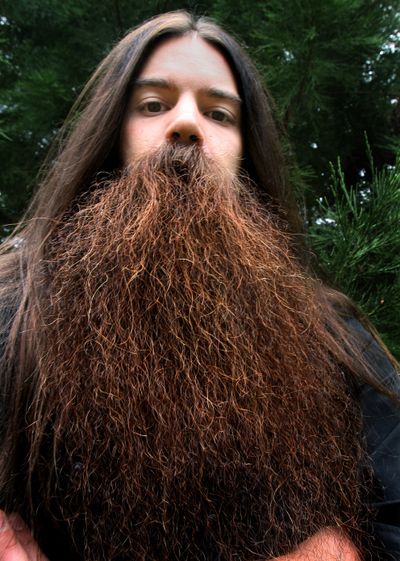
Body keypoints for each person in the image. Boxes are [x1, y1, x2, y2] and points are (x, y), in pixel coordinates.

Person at [0, 10, 398, 561]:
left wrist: (337, 549)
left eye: (219, 112)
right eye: (153, 105)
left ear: (246, 157)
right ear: (112, 135)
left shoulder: (332, 334)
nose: (186, 124)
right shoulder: (16, 309)